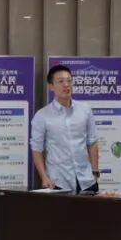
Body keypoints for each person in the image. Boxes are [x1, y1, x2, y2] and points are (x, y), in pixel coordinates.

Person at [31, 64, 99, 194]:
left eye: (69, 81)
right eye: (61, 81)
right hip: (58, 181)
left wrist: (95, 172)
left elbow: (92, 142)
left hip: (87, 180)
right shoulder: (42, 115)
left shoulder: (85, 110)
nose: (66, 85)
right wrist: (44, 177)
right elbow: (37, 149)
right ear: (51, 86)